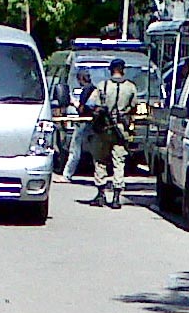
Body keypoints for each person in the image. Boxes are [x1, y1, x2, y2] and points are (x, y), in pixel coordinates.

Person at [87, 57, 137, 209]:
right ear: (123, 70)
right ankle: (116, 197)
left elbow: (91, 104)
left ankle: (101, 193)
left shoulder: (103, 86)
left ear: (111, 70)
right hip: (121, 129)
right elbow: (134, 107)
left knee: (100, 160)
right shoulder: (130, 87)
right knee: (119, 161)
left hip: (103, 129)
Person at [56, 68, 95, 182]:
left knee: (74, 150)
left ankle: (67, 175)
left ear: (81, 78)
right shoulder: (94, 89)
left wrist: (73, 102)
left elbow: (82, 109)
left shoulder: (86, 90)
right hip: (94, 124)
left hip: (83, 124)